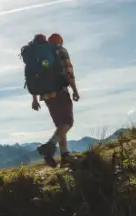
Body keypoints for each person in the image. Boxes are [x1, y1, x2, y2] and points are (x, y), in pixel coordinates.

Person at [32, 33, 80, 168]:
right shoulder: (60, 51)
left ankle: (65, 155)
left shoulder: (39, 56)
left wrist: (34, 99)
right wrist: (75, 90)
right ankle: (50, 146)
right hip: (60, 92)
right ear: (60, 42)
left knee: (60, 125)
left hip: (46, 96)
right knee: (68, 123)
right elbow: (68, 71)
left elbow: (33, 78)